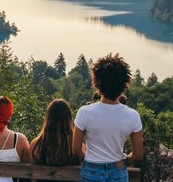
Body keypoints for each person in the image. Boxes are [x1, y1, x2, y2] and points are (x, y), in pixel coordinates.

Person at [72, 54, 143, 182]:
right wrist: (124, 162)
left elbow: (76, 148)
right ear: (123, 85)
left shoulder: (85, 112)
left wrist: (89, 162)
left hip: (91, 171)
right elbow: (137, 154)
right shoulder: (133, 115)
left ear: (97, 84)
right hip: (118, 171)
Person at [30, 99, 79, 181]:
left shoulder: (36, 144)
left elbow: (33, 177)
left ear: (48, 118)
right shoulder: (75, 144)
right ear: (69, 118)